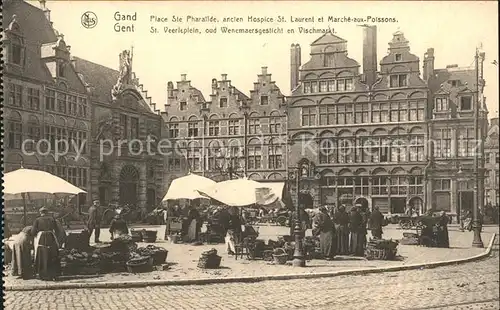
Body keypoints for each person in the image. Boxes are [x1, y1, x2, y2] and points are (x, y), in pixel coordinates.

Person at [31, 207, 61, 281]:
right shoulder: (52, 219)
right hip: (51, 237)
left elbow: (33, 232)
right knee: (52, 254)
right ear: (47, 212)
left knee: (42, 255)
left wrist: (35, 235)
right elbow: (57, 230)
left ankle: (43, 274)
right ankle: (53, 274)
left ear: (40, 213)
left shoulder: (37, 220)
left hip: (41, 238)